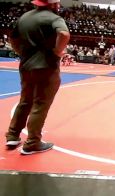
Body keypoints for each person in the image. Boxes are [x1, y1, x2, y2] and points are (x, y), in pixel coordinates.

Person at [5, 0, 70, 155]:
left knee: (25, 101)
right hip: (46, 67)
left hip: (26, 66)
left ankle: (12, 135)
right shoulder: (54, 18)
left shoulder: (25, 17)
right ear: (53, 4)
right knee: (40, 104)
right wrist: (57, 52)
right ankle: (33, 142)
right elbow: (64, 34)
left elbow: (12, 38)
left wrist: (21, 53)